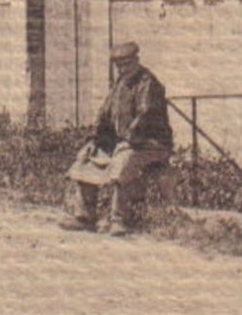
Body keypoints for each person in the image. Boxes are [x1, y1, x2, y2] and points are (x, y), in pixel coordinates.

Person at [60, 41, 173, 236]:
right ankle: (85, 215)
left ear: (136, 61)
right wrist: (94, 141)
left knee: (124, 160)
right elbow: (104, 115)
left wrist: (127, 141)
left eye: (127, 64)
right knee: (87, 157)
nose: (123, 69)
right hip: (125, 141)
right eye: (119, 65)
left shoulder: (148, 83)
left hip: (151, 143)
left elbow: (145, 116)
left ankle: (119, 219)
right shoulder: (119, 85)